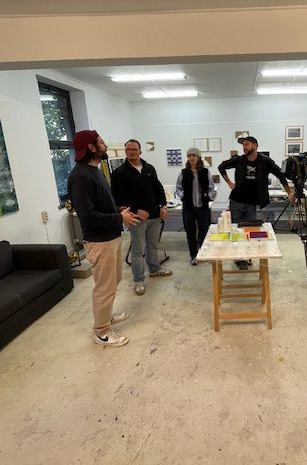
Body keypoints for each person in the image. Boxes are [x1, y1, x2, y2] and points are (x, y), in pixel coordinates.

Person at [67, 130, 140, 347]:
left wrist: (118, 210)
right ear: (91, 147)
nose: (105, 145)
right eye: (100, 142)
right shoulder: (80, 176)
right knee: (104, 287)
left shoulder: (94, 171)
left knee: (113, 281)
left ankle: (105, 317)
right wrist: (119, 217)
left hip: (111, 237)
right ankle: (102, 332)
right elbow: (88, 216)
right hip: (99, 241)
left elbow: (101, 206)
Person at [218, 136, 294, 269]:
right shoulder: (239, 160)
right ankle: (239, 257)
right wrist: (229, 183)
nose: (244, 147)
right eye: (243, 145)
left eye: (246, 144)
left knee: (250, 230)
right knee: (236, 229)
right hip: (236, 200)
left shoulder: (265, 161)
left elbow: (280, 175)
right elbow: (221, 167)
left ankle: (247, 255)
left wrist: (289, 192)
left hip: (252, 203)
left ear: (255, 145)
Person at [111, 139, 172, 296]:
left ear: (140, 151)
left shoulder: (149, 168)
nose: (131, 152)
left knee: (152, 245)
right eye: (128, 149)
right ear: (125, 151)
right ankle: (138, 281)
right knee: (138, 251)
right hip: (136, 218)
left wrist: (163, 205)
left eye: (134, 149)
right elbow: (117, 198)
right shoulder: (119, 173)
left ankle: (154, 269)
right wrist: (136, 211)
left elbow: (158, 188)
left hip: (154, 216)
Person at [175, 147, 216, 265]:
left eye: (194, 155)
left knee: (204, 232)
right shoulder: (183, 172)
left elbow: (211, 188)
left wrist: (209, 197)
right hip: (188, 208)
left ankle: (205, 253)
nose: (192, 158)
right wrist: (182, 196)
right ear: (187, 158)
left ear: (198, 157)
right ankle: (193, 255)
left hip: (202, 208)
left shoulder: (205, 172)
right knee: (190, 233)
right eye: (189, 156)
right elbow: (178, 188)